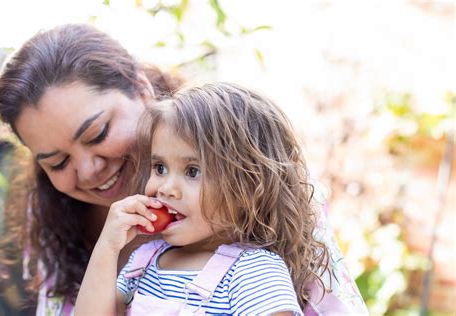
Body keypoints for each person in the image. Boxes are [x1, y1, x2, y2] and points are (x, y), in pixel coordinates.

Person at [0, 24, 367, 314]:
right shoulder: (130, 254)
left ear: (140, 88)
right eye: (57, 162)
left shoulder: (254, 262)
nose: (89, 170)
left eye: (98, 133)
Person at [75, 82, 327, 315]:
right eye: (160, 168)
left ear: (248, 188)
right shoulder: (143, 262)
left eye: (192, 171)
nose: (166, 188)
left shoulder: (254, 272)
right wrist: (107, 248)